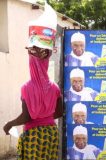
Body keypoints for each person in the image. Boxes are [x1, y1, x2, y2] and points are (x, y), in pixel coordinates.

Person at [3, 4, 63, 159]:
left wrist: (9, 124)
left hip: (34, 136)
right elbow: (58, 112)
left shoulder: (27, 88)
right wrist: (45, 117)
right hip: (51, 134)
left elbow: (27, 116)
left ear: (31, 63)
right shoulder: (55, 87)